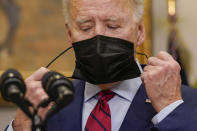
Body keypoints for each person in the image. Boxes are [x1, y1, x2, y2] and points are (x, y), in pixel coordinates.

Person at [5, 0, 197, 131]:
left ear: (139, 31)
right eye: (85, 27)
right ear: (70, 35)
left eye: (112, 26)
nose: (99, 38)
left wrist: (170, 110)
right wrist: (20, 126)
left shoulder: (188, 104)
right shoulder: (48, 103)